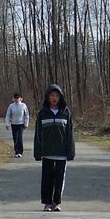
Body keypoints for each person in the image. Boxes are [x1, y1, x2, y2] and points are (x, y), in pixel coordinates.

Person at [33, 83, 75, 211]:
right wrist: (37, 152)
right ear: (47, 97)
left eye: (57, 95)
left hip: (61, 152)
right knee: (47, 179)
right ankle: (47, 203)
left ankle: (56, 202)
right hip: (47, 152)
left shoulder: (66, 112)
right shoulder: (42, 113)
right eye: (52, 95)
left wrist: (70, 152)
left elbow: (70, 133)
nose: (54, 98)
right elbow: (38, 134)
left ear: (60, 97)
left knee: (59, 179)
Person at [4, 92, 30, 157]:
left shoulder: (23, 105)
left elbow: (26, 115)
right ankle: (16, 152)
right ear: (13, 99)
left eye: (17, 98)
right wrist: (7, 124)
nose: (16, 99)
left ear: (20, 99)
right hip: (14, 123)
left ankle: (20, 152)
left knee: (19, 137)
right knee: (15, 138)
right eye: (15, 98)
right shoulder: (11, 106)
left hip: (21, 124)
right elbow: (8, 115)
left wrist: (26, 124)